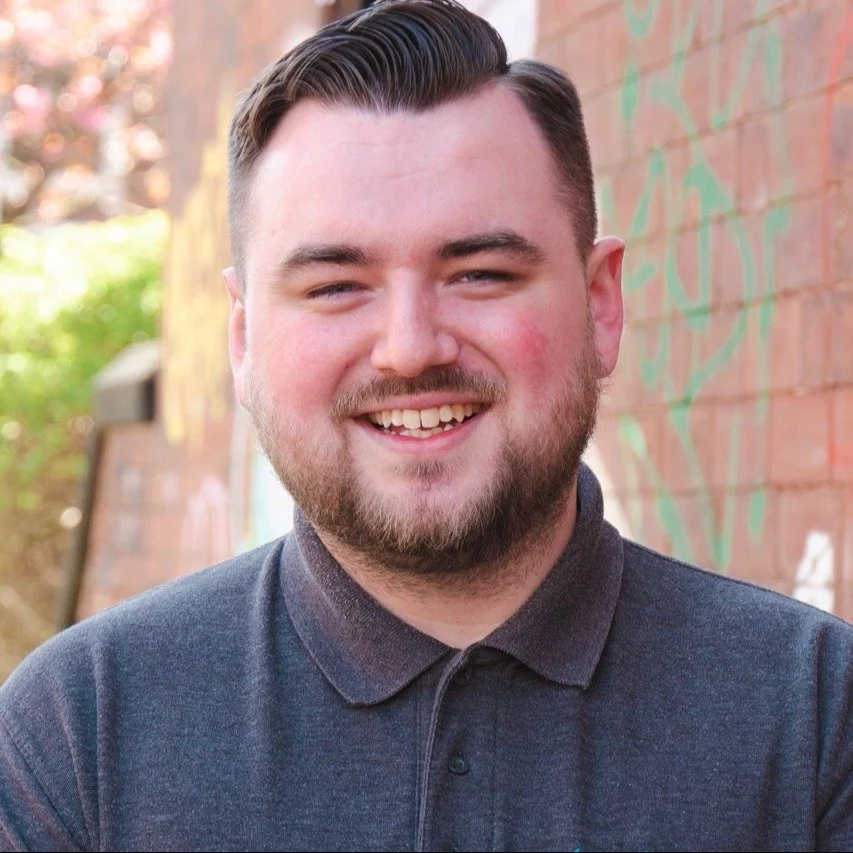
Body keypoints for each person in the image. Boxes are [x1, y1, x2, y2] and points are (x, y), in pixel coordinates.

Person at [2, 1, 852, 850]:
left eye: (480, 273)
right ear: (243, 335)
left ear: (600, 304)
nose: (409, 349)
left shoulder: (817, 718)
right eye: (336, 285)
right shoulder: (80, 741)